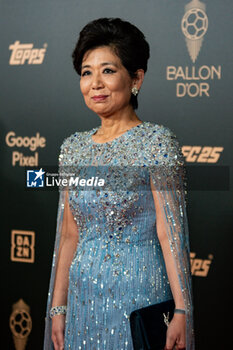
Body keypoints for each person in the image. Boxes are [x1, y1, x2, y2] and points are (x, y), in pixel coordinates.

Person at [43, 17, 195, 350]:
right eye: (86, 72)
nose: (95, 83)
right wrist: (58, 306)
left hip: (139, 294)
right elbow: (69, 233)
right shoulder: (72, 147)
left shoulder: (157, 143)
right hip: (83, 299)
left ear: (136, 78)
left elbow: (170, 233)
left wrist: (183, 309)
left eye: (108, 71)